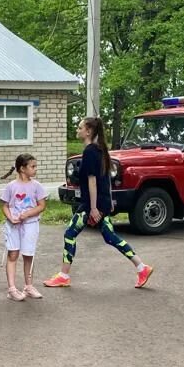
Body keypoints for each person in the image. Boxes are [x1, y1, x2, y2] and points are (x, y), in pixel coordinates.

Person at [44, 117, 154, 289]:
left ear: (88, 131)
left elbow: (93, 181)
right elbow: (107, 180)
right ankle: (142, 268)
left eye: (80, 127)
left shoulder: (89, 151)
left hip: (91, 205)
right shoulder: (100, 150)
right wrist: (107, 202)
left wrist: (94, 208)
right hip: (102, 202)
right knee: (110, 237)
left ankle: (64, 275)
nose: (77, 130)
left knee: (69, 234)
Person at [0, 153, 47, 301]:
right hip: (13, 226)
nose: (35, 169)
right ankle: (12, 289)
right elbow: (5, 206)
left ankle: (28, 286)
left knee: (29, 255)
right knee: (13, 255)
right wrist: (11, 218)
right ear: (22, 168)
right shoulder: (11, 187)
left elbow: (41, 206)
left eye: (35, 166)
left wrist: (27, 214)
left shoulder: (36, 186)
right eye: (32, 166)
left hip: (30, 225)